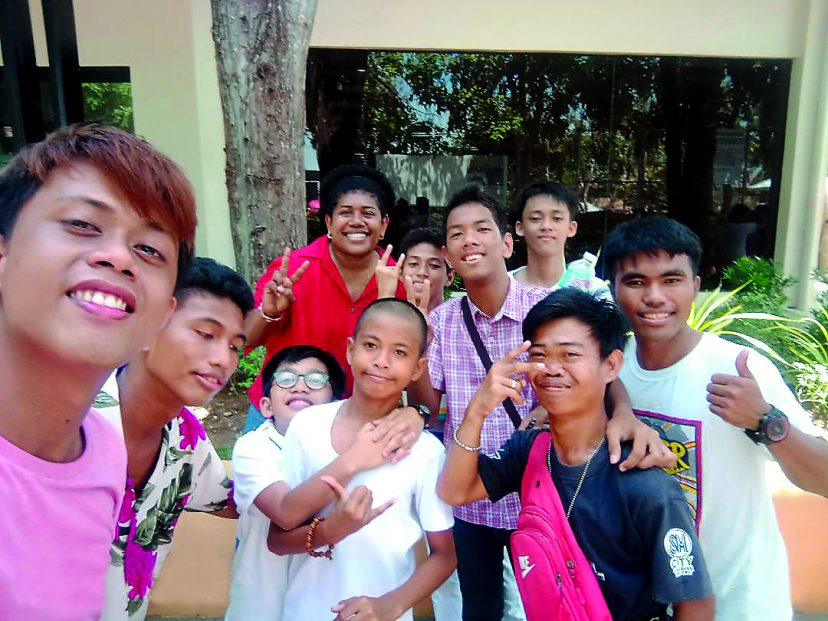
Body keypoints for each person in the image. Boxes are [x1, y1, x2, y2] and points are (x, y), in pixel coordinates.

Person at [406, 185, 674, 621]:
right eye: (457, 234)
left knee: (559, 605)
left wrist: (624, 414)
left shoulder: (548, 311)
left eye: (481, 229)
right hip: (474, 495)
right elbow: (426, 405)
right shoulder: (441, 321)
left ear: (507, 242)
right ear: (448, 255)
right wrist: (418, 337)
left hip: (544, 496)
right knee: (480, 610)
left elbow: (603, 374)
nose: (469, 240)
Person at [0, 124, 196, 619]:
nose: (117, 257)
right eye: (83, 224)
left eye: (150, 250)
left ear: (162, 319)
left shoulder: (105, 450)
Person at [438, 288, 715, 621]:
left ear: (611, 365)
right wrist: (476, 412)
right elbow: (455, 491)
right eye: (540, 355)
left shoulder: (644, 483)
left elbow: (695, 606)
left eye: (569, 355)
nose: (551, 369)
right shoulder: (530, 450)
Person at [604, 216, 828, 620]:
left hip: (741, 605)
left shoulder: (737, 369)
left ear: (696, 286)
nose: (654, 296)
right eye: (636, 281)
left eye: (671, 279)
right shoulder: (609, 370)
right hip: (647, 603)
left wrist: (765, 422)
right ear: (613, 290)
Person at [268, 299, 457, 620]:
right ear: (351, 350)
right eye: (371, 345)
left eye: (399, 352)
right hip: (304, 610)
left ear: (417, 368)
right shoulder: (307, 426)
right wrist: (332, 528)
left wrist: (391, 605)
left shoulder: (426, 452)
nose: (382, 361)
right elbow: (277, 539)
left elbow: (445, 555)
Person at [95, 257, 252, 619]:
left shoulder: (186, 441)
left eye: (234, 345)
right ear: (150, 323)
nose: (222, 359)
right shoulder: (67, 419)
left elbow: (237, 501)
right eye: (206, 334)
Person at [243, 164, 408, 432]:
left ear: (383, 224)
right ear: (329, 222)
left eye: (368, 213)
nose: (357, 221)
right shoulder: (294, 268)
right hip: (283, 415)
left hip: (356, 421)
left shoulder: (397, 280)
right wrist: (269, 312)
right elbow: (247, 337)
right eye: (345, 213)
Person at [229, 344, 356, 621]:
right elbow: (286, 514)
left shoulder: (348, 448)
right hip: (260, 605)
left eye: (316, 380)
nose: (300, 386)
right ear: (265, 405)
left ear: (337, 404)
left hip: (325, 604)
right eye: (285, 379)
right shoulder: (254, 447)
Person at [508, 180, 609, 298]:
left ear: (571, 228)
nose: (546, 226)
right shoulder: (500, 287)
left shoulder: (593, 291)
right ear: (520, 227)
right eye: (535, 218)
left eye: (556, 218)